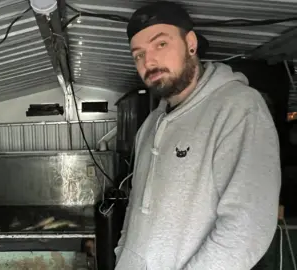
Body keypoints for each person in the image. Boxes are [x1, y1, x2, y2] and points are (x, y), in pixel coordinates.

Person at [114, 1, 281, 269]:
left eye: (161, 44)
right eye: (138, 55)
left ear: (190, 43)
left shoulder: (238, 108)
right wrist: (123, 255)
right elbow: (135, 206)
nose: (149, 61)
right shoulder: (151, 124)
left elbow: (246, 229)